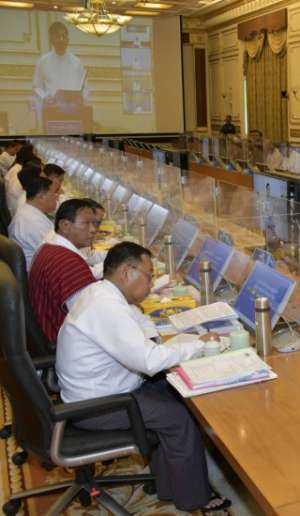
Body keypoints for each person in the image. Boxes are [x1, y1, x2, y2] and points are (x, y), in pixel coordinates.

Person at [55, 243, 231, 513]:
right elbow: (149, 361)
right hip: (97, 406)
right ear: (127, 272)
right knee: (179, 417)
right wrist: (199, 344)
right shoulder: (106, 307)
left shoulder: (101, 292)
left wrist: (160, 339)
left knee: (172, 390)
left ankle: (168, 485)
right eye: (148, 276)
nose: (151, 284)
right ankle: (193, 498)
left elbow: (138, 321)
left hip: (102, 390)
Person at [29, 198, 104, 343]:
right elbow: (91, 316)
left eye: (94, 223)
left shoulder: (49, 247)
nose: (93, 230)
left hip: (51, 328)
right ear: (65, 226)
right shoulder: (68, 263)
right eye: (86, 223)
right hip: (64, 340)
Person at [32, 22, 87, 127]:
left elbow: (85, 87)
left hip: (73, 111)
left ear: (68, 39)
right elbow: (36, 87)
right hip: (52, 110)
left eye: (64, 36)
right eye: (58, 36)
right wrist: (45, 97)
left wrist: (82, 98)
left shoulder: (77, 62)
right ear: (51, 40)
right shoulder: (43, 61)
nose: (61, 40)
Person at [10, 166, 62, 268]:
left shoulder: (28, 211)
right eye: (54, 193)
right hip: (38, 272)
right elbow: (59, 256)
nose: (57, 197)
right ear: (41, 196)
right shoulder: (34, 222)